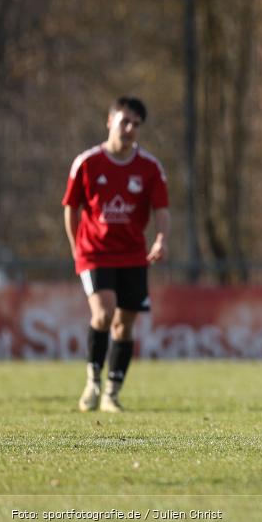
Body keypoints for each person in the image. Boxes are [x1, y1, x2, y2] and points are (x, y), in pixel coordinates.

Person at [63, 97, 170, 413]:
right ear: (109, 121)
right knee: (103, 314)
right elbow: (71, 207)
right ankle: (93, 382)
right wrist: (76, 248)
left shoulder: (150, 167)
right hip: (95, 252)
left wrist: (161, 239)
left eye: (136, 124)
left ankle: (112, 392)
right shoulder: (87, 163)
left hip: (133, 255)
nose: (129, 128)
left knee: (124, 325)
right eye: (124, 121)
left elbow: (162, 209)